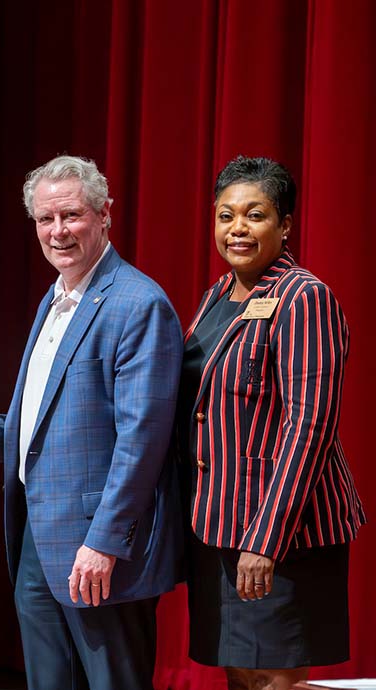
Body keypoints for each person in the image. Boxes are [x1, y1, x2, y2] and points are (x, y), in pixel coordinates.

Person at [0, 155, 182, 690]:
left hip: (97, 549)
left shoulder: (138, 303)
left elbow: (143, 440)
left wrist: (105, 542)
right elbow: (34, 423)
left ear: (104, 215)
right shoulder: (55, 299)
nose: (58, 231)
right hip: (37, 543)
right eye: (46, 220)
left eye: (71, 215)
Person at [178, 156, 364, 690]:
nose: (237, 228)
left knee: (272, 678)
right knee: (239, 673)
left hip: (282, 531)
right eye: (225, 215)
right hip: (218, 524)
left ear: (285, 226)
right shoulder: (220, 295)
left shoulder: (305, 298)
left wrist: (265, 538)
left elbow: (310, 426)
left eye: (254, 215)